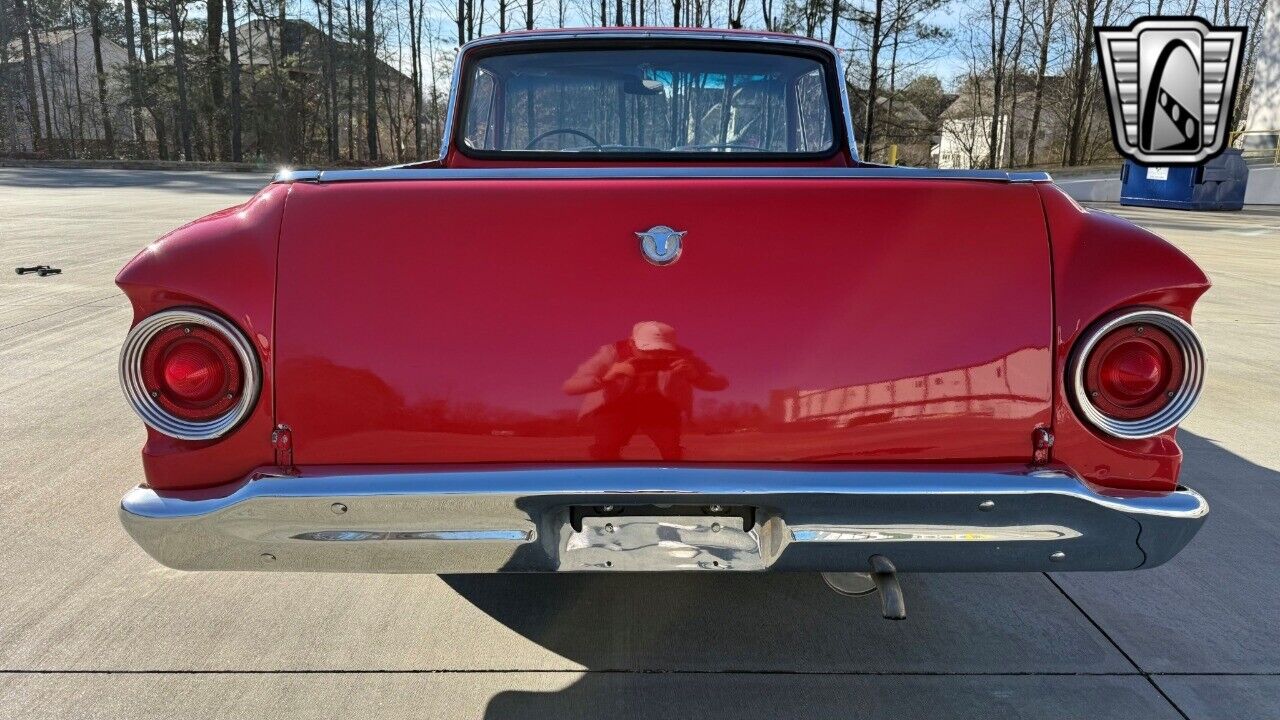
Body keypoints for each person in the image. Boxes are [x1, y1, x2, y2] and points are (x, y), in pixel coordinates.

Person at [563, 321, 728, 460]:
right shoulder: (610, 353)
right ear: (631, 343)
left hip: (660, 408)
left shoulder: (683, 357)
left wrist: (695, 376)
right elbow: (570, 387)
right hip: (616, 406)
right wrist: (608, 377)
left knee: (672, 452)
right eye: (647, 350)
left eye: (662, 351)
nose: (654, 357)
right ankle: (609, 485)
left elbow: (721, 383)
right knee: (605, 450)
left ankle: (672, 485)